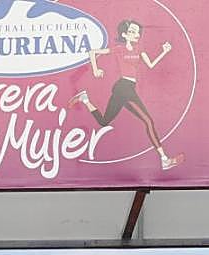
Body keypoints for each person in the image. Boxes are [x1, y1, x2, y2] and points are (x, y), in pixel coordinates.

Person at [68, 19, 182, 170]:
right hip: (124, 87)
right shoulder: (119, 49)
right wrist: (96, 69)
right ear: (124, 35)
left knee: (104, 121)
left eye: (137, 32)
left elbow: (151, 65)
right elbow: (92, 52)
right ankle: (164, 159)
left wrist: (164, 52)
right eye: (132, 32)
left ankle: (85, 99)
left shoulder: (139, 50)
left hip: (127, 88)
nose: (136, 35)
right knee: (148, 121)